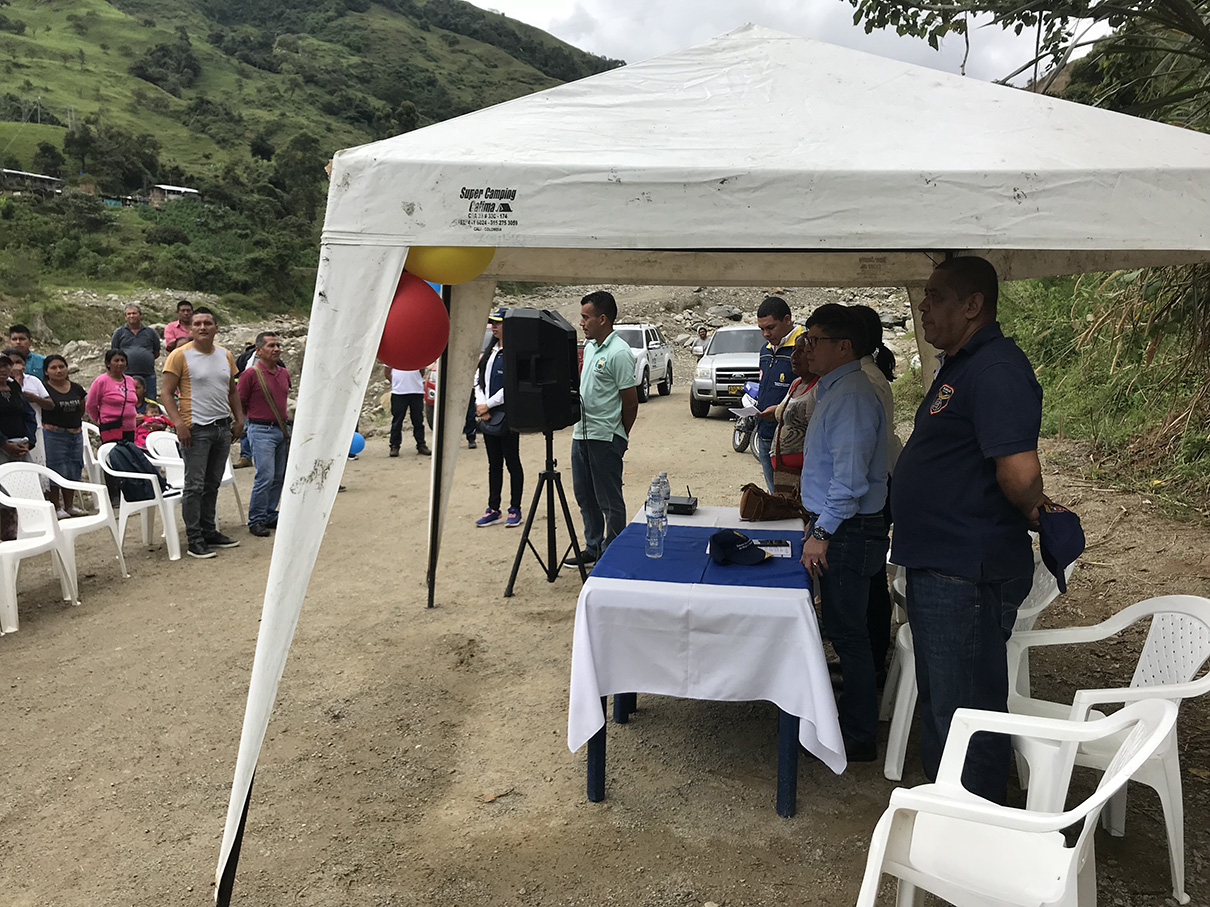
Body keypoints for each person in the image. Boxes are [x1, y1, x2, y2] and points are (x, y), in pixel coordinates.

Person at [891, 256, 1046, 805]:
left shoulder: (997, 369)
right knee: (944, 705)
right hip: (941, 566)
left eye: (935, 296)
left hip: (965, 572)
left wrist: (1035, 508)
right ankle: (951, 814)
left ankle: (976, 821)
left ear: (973, 305)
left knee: (967, 712)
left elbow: (1020, 474)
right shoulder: (962, 364)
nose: (923, 305)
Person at [798, 304, 888, 763]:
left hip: (848, 529)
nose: (806, 348)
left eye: (815, 340)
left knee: (848, 633)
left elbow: (849, 482)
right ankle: (852, 718)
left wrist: (822, 531)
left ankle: (858, 734)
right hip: (840, 525)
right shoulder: (835, 388)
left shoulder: (852, 396)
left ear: (844, 346)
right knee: (845, 627)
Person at [161, 307, 244, 559]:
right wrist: (179, 423)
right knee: (194, 486)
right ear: (190, 328)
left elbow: (232, 390)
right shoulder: (179, 355)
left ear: (216, 328)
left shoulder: (225, 355)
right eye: (197, 323)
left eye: (208, 323)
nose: (202, 327)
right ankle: (194, 538)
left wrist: (239, 418)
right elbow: (166, 393)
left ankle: (209, 530)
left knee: (212, 483)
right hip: (195, 429)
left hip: (221, 427)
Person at [563, 290, 638, 569]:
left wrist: (621, 435)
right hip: (581, 434)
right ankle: (593, 547)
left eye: (586, 317)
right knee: (585, 496)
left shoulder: (619, 353)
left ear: (603, 319)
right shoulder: (591, 347)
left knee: (609, 500)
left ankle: (613, 552)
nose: (581, 323)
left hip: (605, 437)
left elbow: (630, 402)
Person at [852, 304, 903, 685]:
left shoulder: (863, 381)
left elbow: (859, 451)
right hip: (880, 482)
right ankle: (869, 657)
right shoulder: (869, 375)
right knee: (868, 577)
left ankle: (871, 661)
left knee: (868, 577)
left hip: (873, 490)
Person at [473, 307, 524, 528]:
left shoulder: (514, 352)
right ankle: (493, 508)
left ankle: (515, 508)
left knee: (512, 462)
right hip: (488, 415)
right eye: (492, 323)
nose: (493, 327)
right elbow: (479, 379)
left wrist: (489, 404)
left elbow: (510, 385)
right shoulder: (491, 351)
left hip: (507, 415)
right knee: (494, 464)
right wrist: (481, 404)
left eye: (498, 323)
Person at [238, 332, 291, 538]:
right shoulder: (250, 375)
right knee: (265, 475)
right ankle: (256, 518)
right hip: (261, 430)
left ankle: (269, 513)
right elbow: (240, 401)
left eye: (277, 345)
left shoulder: (283, 373)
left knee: (278, 475)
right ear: (258, 351)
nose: (276, 349)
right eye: (271, 345)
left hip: (280, 429)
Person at [758, 333, 817, 499]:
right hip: (783, 472)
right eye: (794, 350)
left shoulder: (819, 388)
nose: (794, 356)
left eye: (802, 351)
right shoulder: (796, 383)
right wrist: (775, 412)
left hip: (804, 476)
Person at [754, 297, 804, 492]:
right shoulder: (765, 350)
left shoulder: (803, 348)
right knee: (774, 493)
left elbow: (810, 393)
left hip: (791, 439)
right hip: (765, 432)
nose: (766, 334)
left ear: (787, 319)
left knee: (791, 495)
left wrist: (780, 410)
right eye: (761, 329)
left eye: (771, 327)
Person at [86, 349, 138, 503]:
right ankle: (114, 495)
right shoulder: (101, 381)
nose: (120, 363)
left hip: (129, 427)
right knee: (112, 459)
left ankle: (128, 492)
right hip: (111, 427)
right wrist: (100, 420)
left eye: (122, 360)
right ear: (108, 363)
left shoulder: (130, 380)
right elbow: (90, 405)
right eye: (116, 360)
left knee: (128, 458)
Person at [41, 354, 88, 517]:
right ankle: (56, 506)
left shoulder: (76, 388)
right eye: (53, 368)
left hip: (75, 434)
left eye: (61, 366)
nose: (58, 370)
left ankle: (70, 505)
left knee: (73, 468)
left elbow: (81, 409)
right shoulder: (43, 389)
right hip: (53, 435)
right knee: (55, 468)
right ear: (46, 371)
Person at [0, 352, 37, 539]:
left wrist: (29, 440)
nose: (2, 369)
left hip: (21, 445)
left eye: (5, 365)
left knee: (27, 485)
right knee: (4, 490)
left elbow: (28, 414)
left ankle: (29, 529)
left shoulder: (14, 387)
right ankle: (7, 534)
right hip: (2, 448)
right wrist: (3, 443)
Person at [5, 348, 52, 479]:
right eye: (11, 363)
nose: (15, 367)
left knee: (35, 470)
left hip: (32, 432)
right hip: (7, 439)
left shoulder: (33, 380)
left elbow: (48, 405)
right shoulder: (8, 385)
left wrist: (35, 398)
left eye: (18, 362)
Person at [110, 304, 162, 402]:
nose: (131, 316)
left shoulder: (151, 332)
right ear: (125, 317)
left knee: (150, 402)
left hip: (148, 374)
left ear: (140, 315)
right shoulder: (119, 333)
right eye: (129, 314)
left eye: (134, 313)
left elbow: (156, 352)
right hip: (126, 374)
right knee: (126, 401)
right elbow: (114, 353)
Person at [384, 366, 431, 457]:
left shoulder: (417, 357)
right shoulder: (393, 357)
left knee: (418, 420)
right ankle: (394, 445)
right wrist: (397, 383)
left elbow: (422, 370)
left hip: (416, 391)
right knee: (397, 421)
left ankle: (421, 444)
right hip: (399, 392)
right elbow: (387, 372)